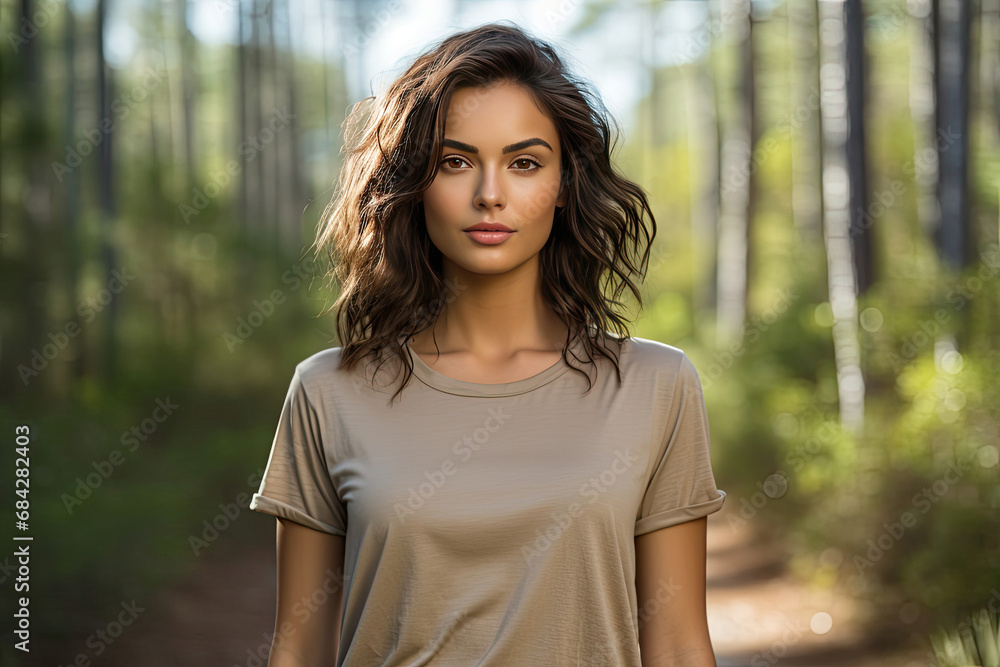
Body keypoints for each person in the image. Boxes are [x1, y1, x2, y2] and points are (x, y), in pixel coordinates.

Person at [249, 20, 727, 667]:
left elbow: (677, 645)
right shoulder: (327, 391)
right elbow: (297, 647)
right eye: (455, 162)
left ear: (563, 187)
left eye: (524, 162)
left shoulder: (655, 384)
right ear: (415, 185)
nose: (490, 194)